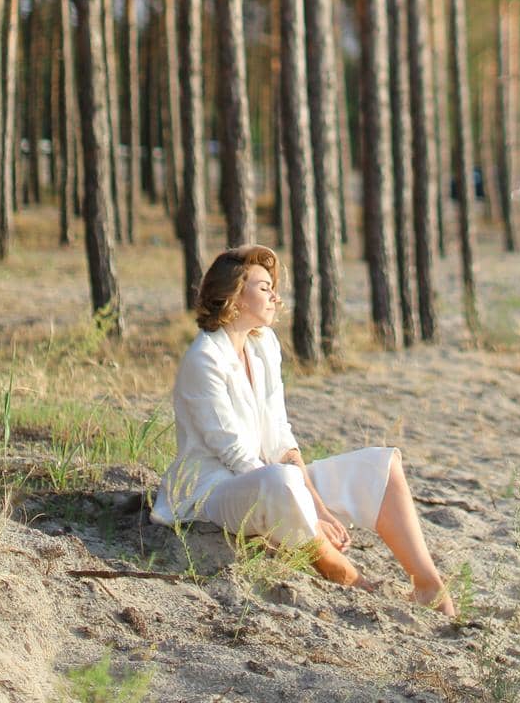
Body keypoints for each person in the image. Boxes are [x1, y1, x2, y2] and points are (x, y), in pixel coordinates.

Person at [152, 244, 455, 615]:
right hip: (213, 492)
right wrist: (310, 509)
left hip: (272, 481)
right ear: (233, 294)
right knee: (281, 481)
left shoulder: (263, 345)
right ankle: (352, 579)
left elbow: (281, 436)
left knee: (382, 464)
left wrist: (320, 508)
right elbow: (235, 456)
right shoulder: (205, 359)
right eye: (264, 287)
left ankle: (429, 586)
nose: (274, 296)